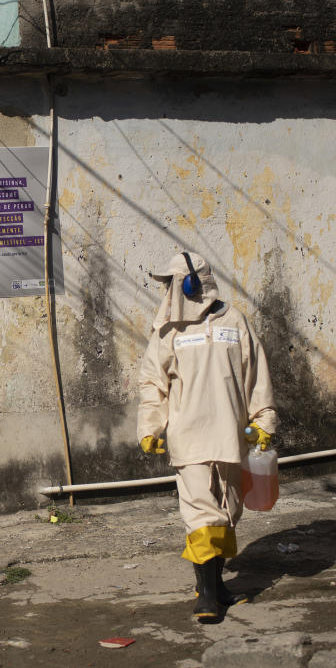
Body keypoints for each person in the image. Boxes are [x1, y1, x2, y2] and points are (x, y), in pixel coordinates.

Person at [137, 251, 277, 623]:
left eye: (172, 283)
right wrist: (150, 425)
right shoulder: (168, 331)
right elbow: (153, 382)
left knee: (229, 511)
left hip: (231, 438)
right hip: (189, 437)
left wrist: (263, 418)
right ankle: (208, 598)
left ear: (190, 285)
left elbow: (256, 374)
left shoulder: (234, 321)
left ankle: (216, 586)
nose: (167, 291)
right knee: (201, 513)